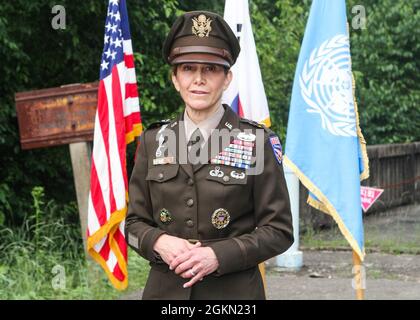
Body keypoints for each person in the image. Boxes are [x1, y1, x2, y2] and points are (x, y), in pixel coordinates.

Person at [125, 10, 293, 300]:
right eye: (188, 68)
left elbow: (279, 231)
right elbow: (132, 226)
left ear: (227, 78)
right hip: (165, 294)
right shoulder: (153, 141)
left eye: (211, 69)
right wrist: (159, 241)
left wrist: (219, 255)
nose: (199, 79)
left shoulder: (256, 141)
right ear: (175, 79)